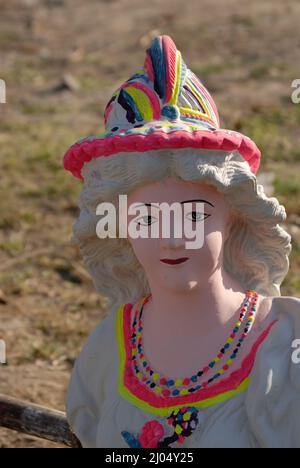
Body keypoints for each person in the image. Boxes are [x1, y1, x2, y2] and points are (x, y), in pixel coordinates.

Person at [63, 35, 300, 448]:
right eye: (147, 218)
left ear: (232, 217)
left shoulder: (283, 351)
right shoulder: (108, 350)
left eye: (194, 214)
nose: (171, 238)